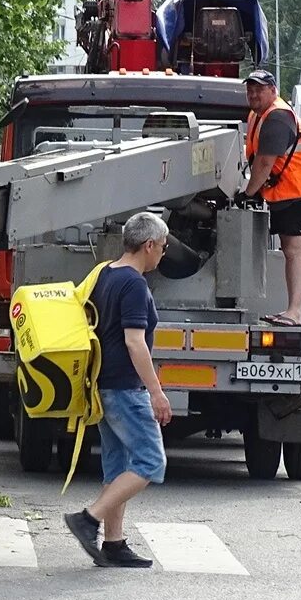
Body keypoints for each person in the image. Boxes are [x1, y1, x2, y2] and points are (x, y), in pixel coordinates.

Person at [64, 211, 172, 569]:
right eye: (163, 245)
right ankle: (88, 518)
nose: (164, 252)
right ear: (149, 245)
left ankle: (113, 543)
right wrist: (156, 392)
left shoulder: (104, 274)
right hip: (126, 388)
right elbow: (134, 343)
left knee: (118, 465)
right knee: (150, 461)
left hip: (102, 385)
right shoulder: (134, 285)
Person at [238, 69, 301, 326]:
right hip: (288, 191)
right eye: (250, 89)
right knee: (290, 250)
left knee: (295, 250)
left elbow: (265, 162)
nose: (253, 94)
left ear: (273, 90)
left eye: (259, 89)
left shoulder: (277, 117)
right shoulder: (261, 115)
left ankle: (295, 312)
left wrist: (248, 193)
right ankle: (292, 311)